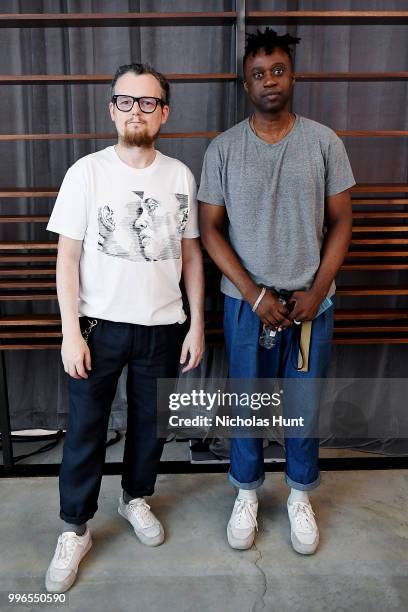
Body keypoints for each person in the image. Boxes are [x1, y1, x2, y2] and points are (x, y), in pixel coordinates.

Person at [45, 63, 205, 592]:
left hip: (163, 327)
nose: (137, 110)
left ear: (164, 113)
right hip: (98, 327)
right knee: (86, 431)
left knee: (148, 428)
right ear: (113, 108)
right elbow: (67, 257)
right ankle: (75, 527)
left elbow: (191, 256)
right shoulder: (85, 172)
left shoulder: (180, 175)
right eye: (127, 101)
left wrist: (196, 322)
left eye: (149, 102)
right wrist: (71, 330)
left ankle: (136, 498)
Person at [198, 28, 355, 554]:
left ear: (293, 76)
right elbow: (210, 230)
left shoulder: (324, 141)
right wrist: (255, 294)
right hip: (247, 306)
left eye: (278, 70)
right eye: (259, 74)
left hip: (311, 304)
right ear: (246, 84)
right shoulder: (222, 149)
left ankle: (299, 494)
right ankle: (246, 492)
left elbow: (341, 222)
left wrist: (319, 286)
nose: (270, 81)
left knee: (303, 406)